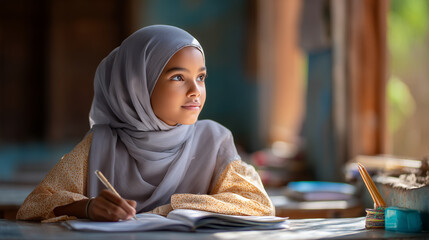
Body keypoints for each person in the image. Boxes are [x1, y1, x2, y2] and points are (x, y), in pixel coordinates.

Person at [16, 25, 274, 222]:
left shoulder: (213, 140)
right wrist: (87, 207)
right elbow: (35, 204)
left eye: (201, 77)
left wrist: (174, 207)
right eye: (178, 77)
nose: (196, 90)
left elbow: (257, 203)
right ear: (137, 85)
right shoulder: (103, 143)